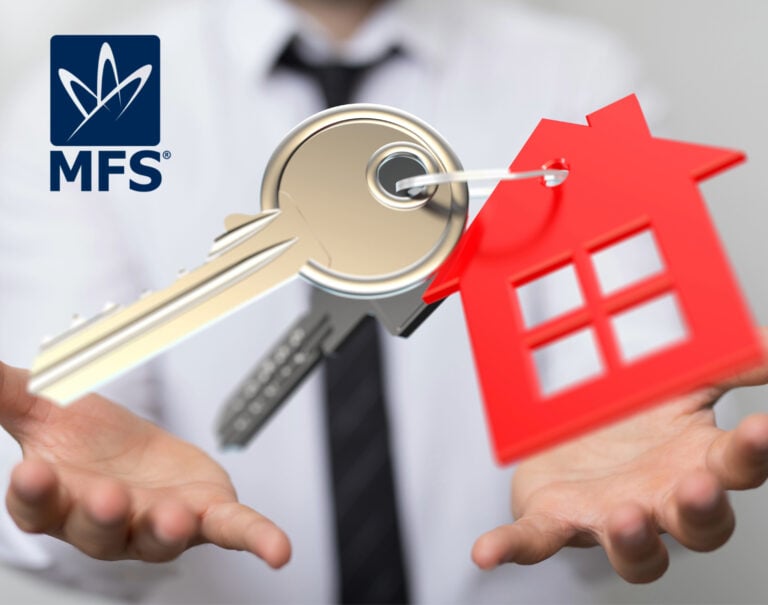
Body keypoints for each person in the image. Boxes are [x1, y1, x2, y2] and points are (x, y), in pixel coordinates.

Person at [1, 0, 767, 602]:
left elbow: (635, 394)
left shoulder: (573, 75)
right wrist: (90, 514)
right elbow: (77, 439)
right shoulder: (101, 86)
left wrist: (624, 474)